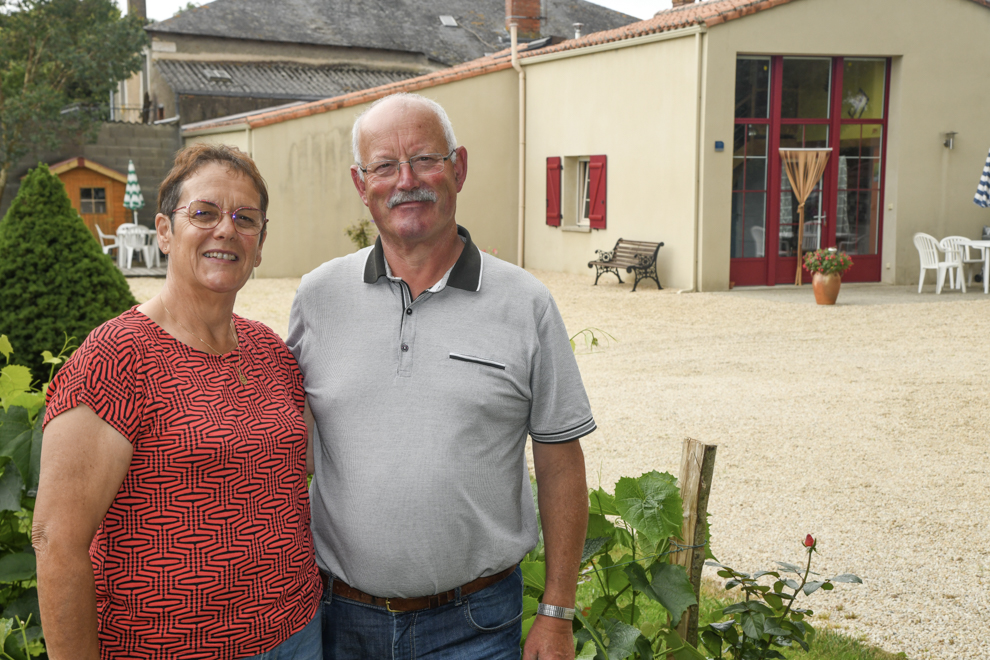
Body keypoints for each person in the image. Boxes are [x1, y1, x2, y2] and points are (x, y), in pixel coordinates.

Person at [287, 93, 594, 659]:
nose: (407, 180)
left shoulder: (525, 304)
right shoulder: (317, 297)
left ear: (459, 168)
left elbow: (559, 461)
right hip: (338, 622)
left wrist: (556, 611)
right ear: (361, 185)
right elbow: (287, 448)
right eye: (384, 165)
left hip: (472, 626)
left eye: (426, 159)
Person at [33, 144, 322, 660]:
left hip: (297, 633)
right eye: (204, 213)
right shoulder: (115, 358)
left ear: (260, 244)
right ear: (165, 232)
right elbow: (57, 543)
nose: (226, 230)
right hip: (167, 647)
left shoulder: (272, 353)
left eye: (245, 218)